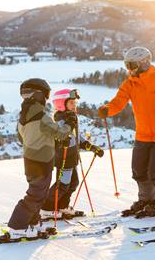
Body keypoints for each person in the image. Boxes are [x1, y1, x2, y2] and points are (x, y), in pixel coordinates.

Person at [98, 46, 155, 216]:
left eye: (132, 65)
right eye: (127, 66)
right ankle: (146, 199)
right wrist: (107, 109)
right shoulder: (130, 84)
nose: (129, 69)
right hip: (142, 135)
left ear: (144, 63)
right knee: (139, 170)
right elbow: (118, 102)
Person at [5, 78, 74, 240]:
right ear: (38, 95)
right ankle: (17, 227)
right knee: (36, 195)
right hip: (41, 160)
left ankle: (33, 222)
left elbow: (24, 138)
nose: (46, 99)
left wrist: (49, 142)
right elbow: (60, 132)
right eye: (46, 95)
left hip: (31, 158)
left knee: (39, 193)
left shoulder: (24, 115)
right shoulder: (41, 115)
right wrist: (70, 123)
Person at [40, 89, 104, 220]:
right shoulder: (60, 120)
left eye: (75, 102)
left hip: (72, 157)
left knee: (73, 183)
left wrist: (91, 147)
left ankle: (62, 206)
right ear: (61, 104)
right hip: (63, 157)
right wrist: (61, 141)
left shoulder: (72, 118)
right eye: (71, 102)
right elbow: (57, 137)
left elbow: (77, 138)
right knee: (62, 184)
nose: (74, 105)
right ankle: (46, 209)